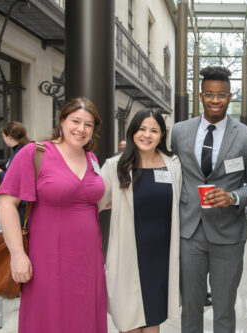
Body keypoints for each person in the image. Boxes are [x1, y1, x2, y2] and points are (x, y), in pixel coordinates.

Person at [0, 97, 107, 333]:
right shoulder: (35, 153)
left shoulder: (92, 159)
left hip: (89, 259)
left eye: (88, 125)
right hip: (47, 256)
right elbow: (6, 202)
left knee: (84, 316)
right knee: (48, 317)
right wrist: (17, 255)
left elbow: (92, 200)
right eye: (75, 121)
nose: (81, 129)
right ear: (62, 121)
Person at [171, 66, 247, 333]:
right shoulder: (179, 132)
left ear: (230, 95)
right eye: (210, 94)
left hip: (228, 234)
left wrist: (234, 196)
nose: (215, 100)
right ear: (200, 96)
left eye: (222, 94)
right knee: (190, 308)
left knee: (225, 309)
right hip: (189, 232)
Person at [99, 109, 181, 333]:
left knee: (153, 317)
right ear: (132, 132)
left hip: (161, 255)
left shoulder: (173, 164)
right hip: (127, 251)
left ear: (162, 135)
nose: (147, 135)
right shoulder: (114, 166)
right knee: (128, 319)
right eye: (142, 129)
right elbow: (96, 202)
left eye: (154, 130)